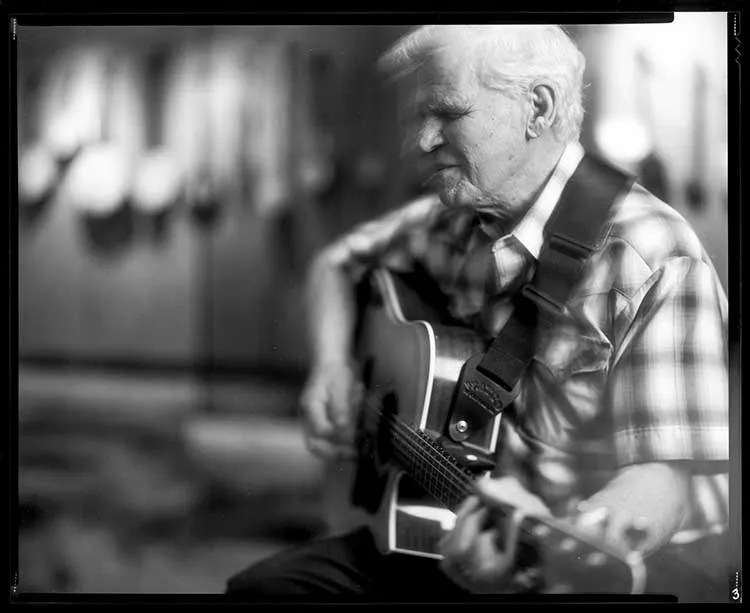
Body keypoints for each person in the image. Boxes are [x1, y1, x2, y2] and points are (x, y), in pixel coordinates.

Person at [226, 24, 730, 599]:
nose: (422, 140)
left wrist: (566, 544)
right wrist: (334, 367)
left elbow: (666, 477)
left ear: (536, 107)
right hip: (420, 525)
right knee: (263, 589)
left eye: (447, 113)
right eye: (420, 117)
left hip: (556, 563)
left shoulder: (656, 254)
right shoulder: (450, 217)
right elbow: (335, 267)